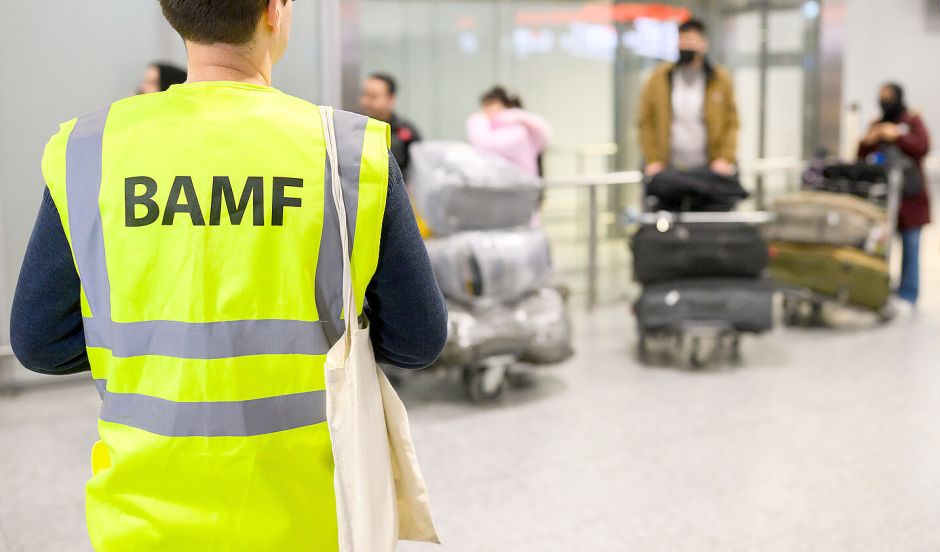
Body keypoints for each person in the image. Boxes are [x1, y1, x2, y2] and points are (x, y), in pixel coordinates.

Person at [9, 0, 447, 549]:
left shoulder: (88, 149)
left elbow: (39, 343)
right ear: (275, 10)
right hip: (309, 514)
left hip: (139, 519)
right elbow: (418, 338)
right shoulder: (347, 152)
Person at [858, 82, 931, 307]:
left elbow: (923, 146)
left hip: (911, 200)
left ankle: (908, 295)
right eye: (881, 96)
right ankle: (880, 290)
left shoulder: (911, 121)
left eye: (889, 96)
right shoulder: (878, 125)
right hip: (883, 202)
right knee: (879, 250)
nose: (884, 100)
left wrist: (897, 136)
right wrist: (867, 141)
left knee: (911, 249)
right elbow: (861, 159)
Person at [638, 18, 739, 177]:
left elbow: (731, 123)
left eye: (691, 40)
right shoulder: (660, 77)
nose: (686, 45)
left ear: (703, 43)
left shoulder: (720, 79)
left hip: (710, 167)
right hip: (668, 167)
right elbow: (646, 121)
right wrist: (653, 159)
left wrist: (725, 158)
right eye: (682, 40)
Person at [466, 86, 552, 178]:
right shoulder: (514, 127)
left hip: (516, 187)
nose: (484, 110)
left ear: (508, 105)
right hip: (514, 186)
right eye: (484, 105)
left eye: (490, 104)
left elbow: (483, 146)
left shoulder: (516, 130)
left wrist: (477, 120)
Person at [359, 72, 422, 174]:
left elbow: (420, 170)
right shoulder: (355, 129)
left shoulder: (406, 132)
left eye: (373, 96)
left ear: (390, 99)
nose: (365, 102)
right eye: (364, 95)